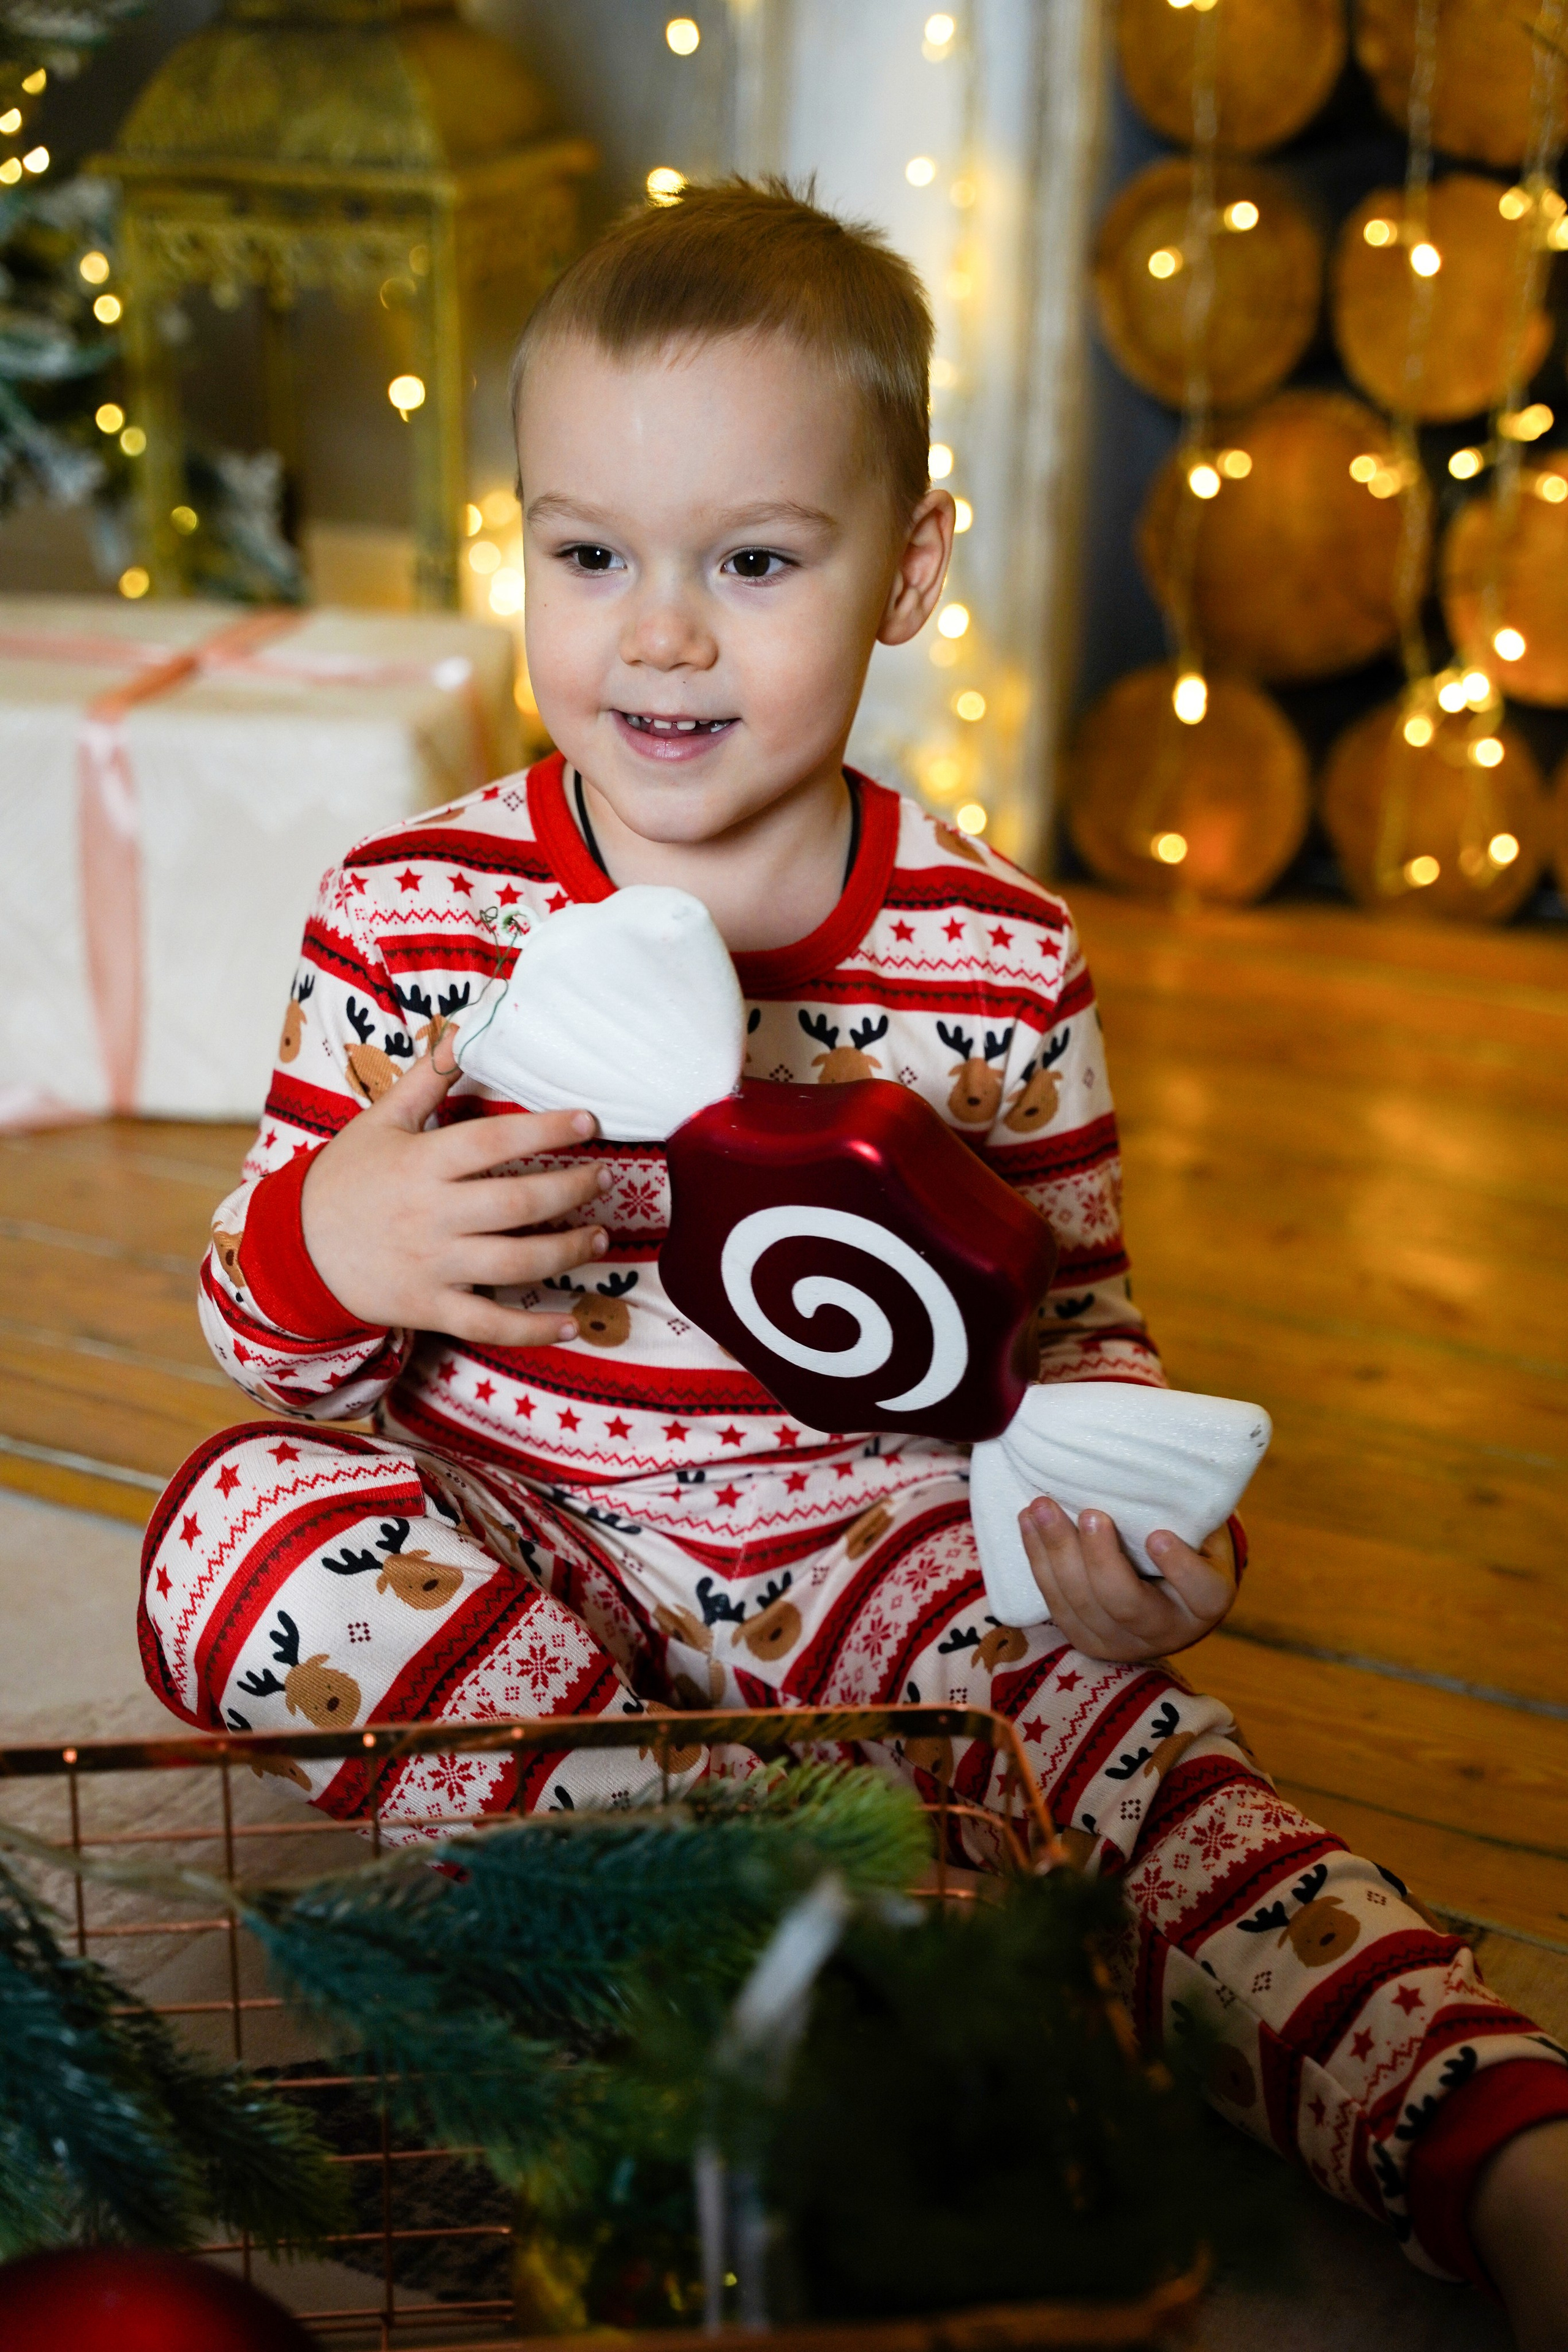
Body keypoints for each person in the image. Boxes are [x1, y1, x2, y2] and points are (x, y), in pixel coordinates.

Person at [140, 181, 1568, 2342]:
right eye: (589, 552)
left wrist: (1119, 1542)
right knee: (233, 1532)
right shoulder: (406, 914)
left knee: (1136, 1752)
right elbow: (275, 1353)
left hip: (868, 1564)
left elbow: (1074, 1331)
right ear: (519, 543)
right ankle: (725, 1895)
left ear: (905, 568)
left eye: (756, 559)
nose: (663, 634)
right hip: (513, 1536)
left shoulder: (992, 958)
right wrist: (343, 1240)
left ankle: (1492, 2148)